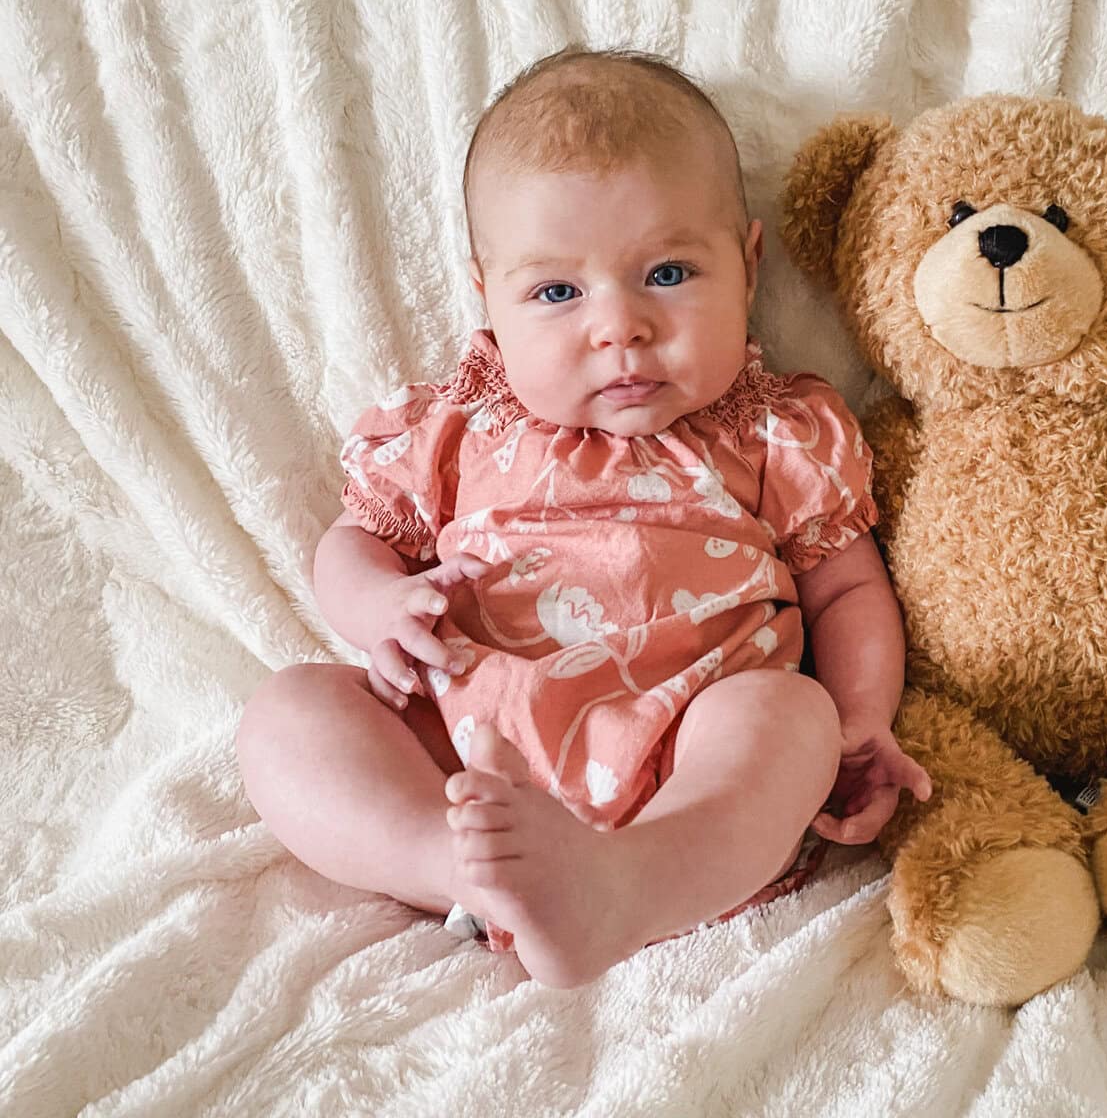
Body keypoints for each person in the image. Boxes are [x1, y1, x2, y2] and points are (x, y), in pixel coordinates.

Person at [236, 48, 931, 988]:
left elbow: (847, 584)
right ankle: (467, 874)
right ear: (488, 296)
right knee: (289, 712)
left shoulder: (775, 431)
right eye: (558, 293)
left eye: (670, 272)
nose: (620, 328)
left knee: (788, 715)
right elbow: (356, 540)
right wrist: (375, 610)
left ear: (749, 263)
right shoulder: (458, 425)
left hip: (687, 751)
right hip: (471, 751)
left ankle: (628, 883)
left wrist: (859, 721)